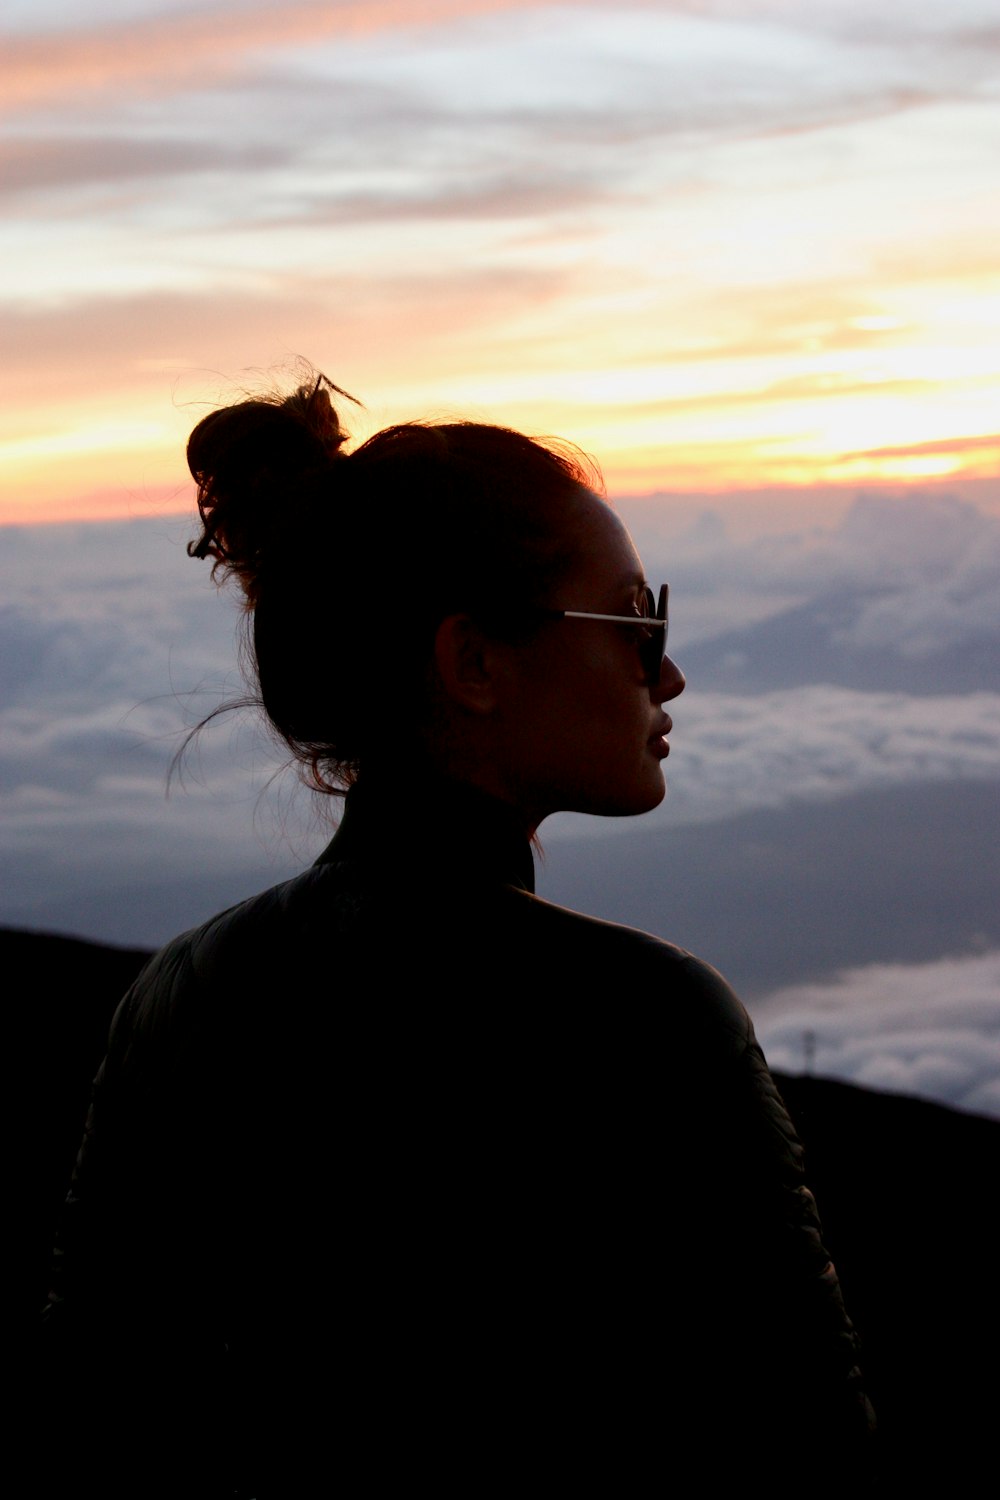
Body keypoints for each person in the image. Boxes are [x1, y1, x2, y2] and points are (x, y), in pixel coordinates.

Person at [43, 373, 874, 1493]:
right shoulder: (644, 1019)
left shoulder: (177, 1000)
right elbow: (808, 1467)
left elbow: (91, 1416)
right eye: (636, 619)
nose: (666, 670)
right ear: (473, 664)